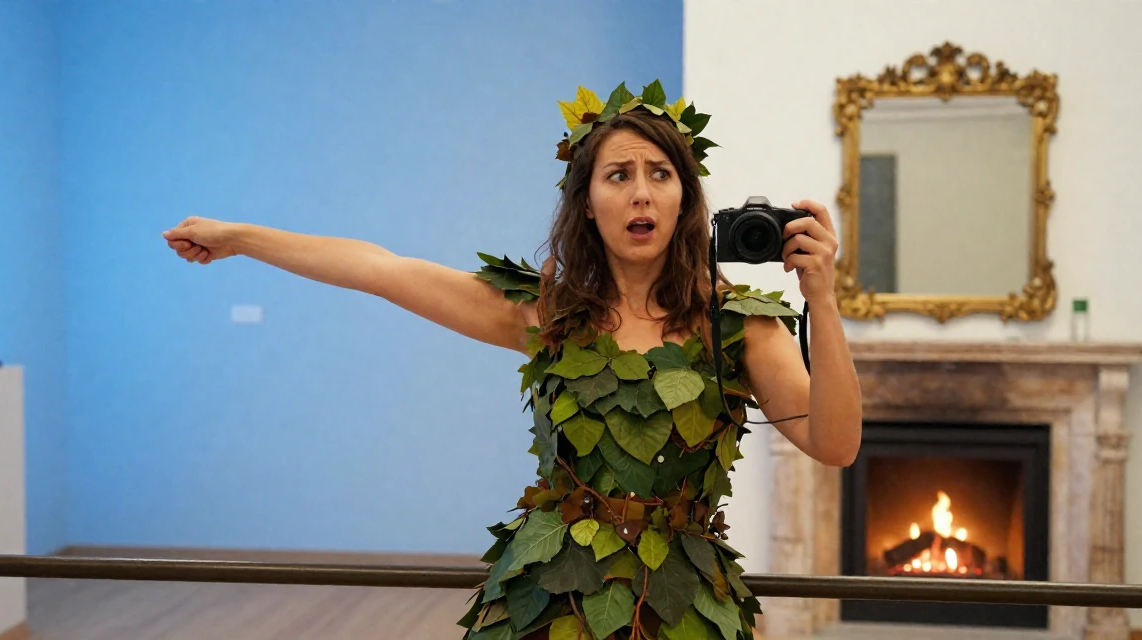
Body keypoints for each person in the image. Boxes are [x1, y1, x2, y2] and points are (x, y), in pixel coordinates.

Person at [162, 80, 861, 639]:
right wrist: (242, 237)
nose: (641, 191)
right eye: (618, 175)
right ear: (587, 203)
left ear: (685, 199)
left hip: (685, 598)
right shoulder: (545, 313)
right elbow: (381, 269)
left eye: (659, 173)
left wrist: (821, 301)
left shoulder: (739, 328)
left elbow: (835, 444)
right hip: (550, 593)